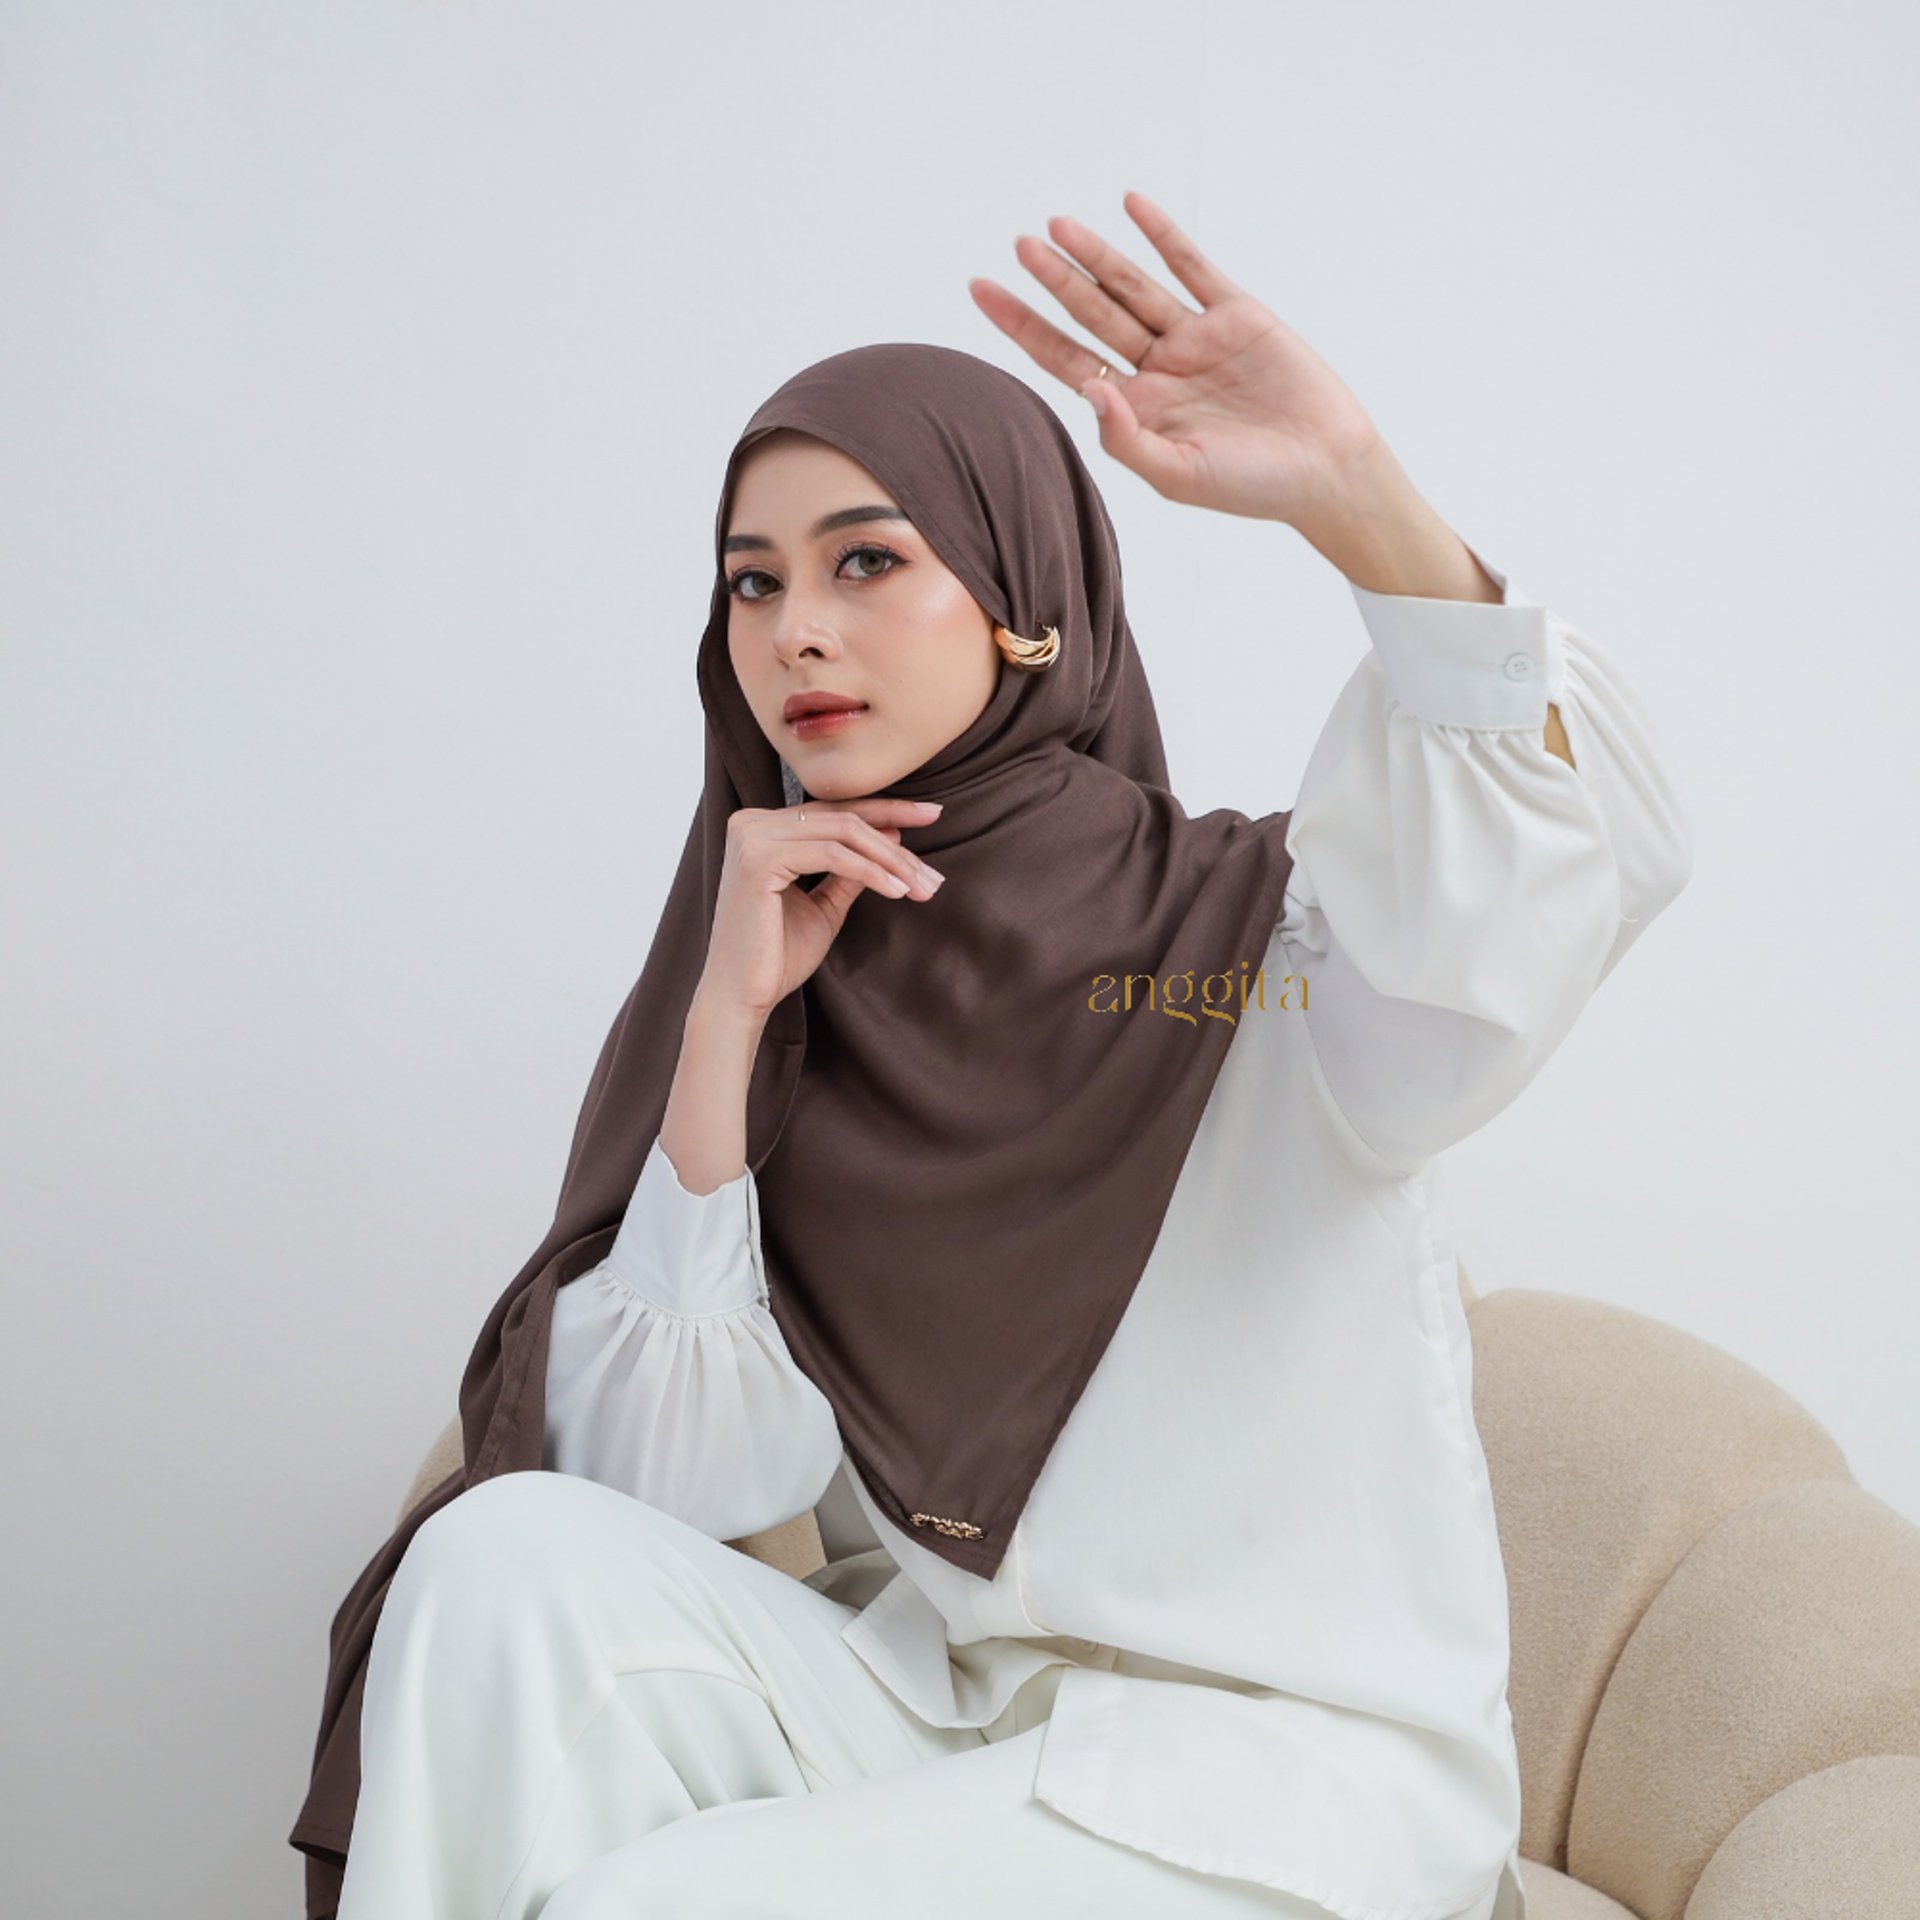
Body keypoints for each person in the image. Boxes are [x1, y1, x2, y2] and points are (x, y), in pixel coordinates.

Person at [290, 193, 1692, 1920]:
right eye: (755, 583)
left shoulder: (1257, 949)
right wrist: (726, 1033)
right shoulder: (798, 986)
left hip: (1285, 1782)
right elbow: (687, 1488)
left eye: (867, 561)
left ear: (1024, 599)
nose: (795, 629)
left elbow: (1553, 870)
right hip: (956, 1722)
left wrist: (1353, 490)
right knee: (501, 1560)